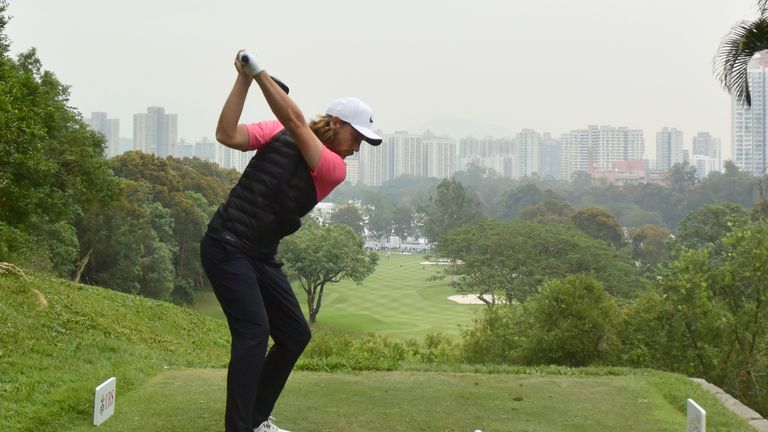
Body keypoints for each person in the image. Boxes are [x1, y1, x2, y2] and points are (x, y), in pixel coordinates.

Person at [200, 50, 382, 432]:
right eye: (357, 136)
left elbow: (297, 123)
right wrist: (245, 80)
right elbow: (226, 134)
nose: (358, 148)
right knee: (253, 333)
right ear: (336, 123)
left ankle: (255, 420)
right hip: (226, 244)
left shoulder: (334, 169)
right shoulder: (275, 132)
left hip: (260, 256)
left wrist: (257, 72)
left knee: (294, 334)